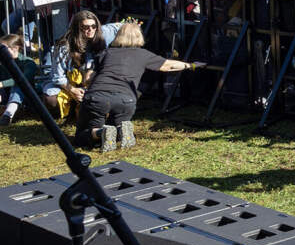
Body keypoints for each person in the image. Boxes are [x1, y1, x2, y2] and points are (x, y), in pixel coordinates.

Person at [76, 20, 201, 151]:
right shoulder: (144, 55)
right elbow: (169, 65)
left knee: (84, 135)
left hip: (97, 97)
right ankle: (120, 130)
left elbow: (88, 78)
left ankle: (101, 133)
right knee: (116, 131)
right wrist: (191, 65)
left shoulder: (106, 53)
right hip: (126, 99)